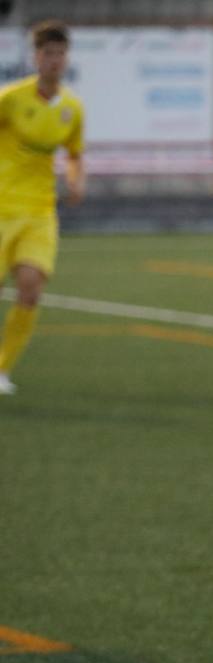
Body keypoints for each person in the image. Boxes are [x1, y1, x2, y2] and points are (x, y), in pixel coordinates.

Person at [0, 20, 85, 396]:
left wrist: (76, 178)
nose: (54, 60)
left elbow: (75, 154)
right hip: (2, 207)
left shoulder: (71, 108)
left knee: (31, 288)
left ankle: (1, 368)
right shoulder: (11, 99)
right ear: (35, 57)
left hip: (39, 212)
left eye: (60, 53)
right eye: (47, 53)